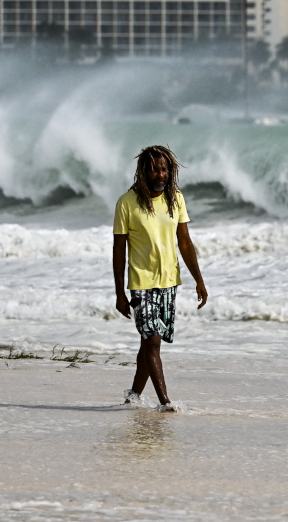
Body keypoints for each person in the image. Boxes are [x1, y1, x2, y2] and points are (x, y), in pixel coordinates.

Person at [113, 145, 208, 412]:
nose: (161, 174)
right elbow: (119, 250)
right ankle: (165, 402)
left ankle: (134, 394)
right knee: (152, 340)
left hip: (169, 281)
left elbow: (185, 243)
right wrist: (120, 292)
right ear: (143, 171)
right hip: (141, 282)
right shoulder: (126, 203)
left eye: (165, 169)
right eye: (155, 169)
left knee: (150, 342)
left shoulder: (175, 199)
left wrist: (199, 280)